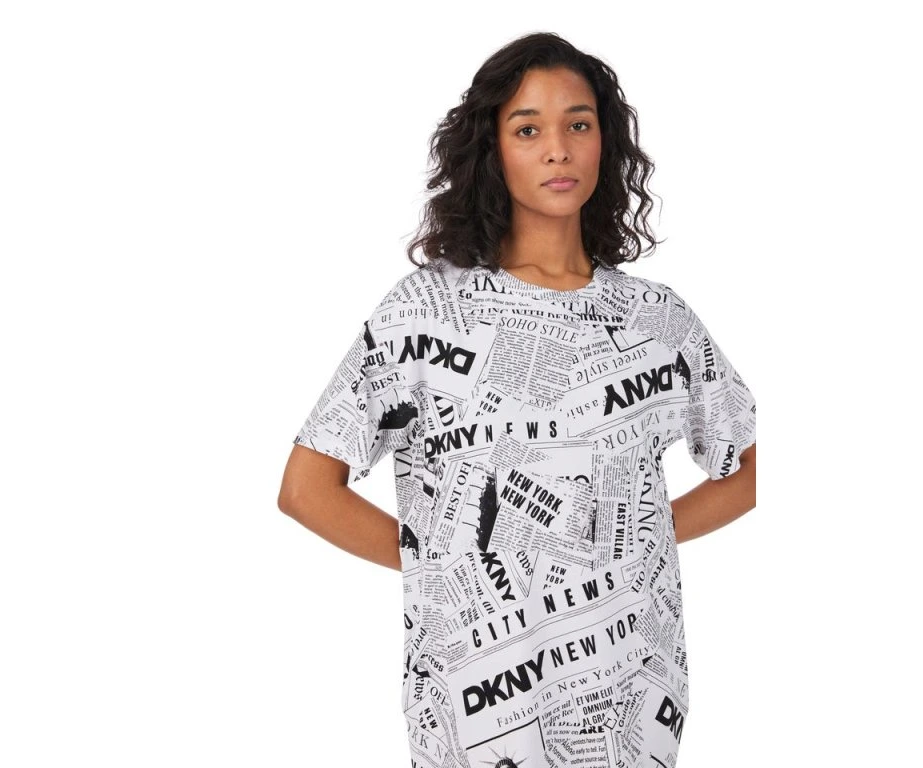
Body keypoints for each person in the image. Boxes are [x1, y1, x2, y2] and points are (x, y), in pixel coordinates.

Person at [278, 31, 756, 768]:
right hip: (473, 710)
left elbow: (750, 471)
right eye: (528, 129)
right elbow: (307, 489)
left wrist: (631, 548)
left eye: (578, 124)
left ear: (605, 143)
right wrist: (441, 566)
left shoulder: (657, 320)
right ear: (492, 150)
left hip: (631, 698)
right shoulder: (424, 313)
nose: (558, 149)